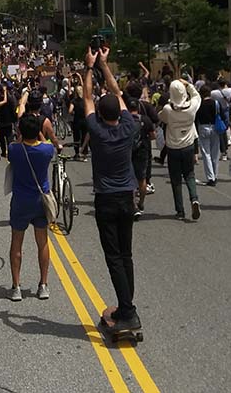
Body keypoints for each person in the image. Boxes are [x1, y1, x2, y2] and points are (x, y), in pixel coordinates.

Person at [83, 45, 141, 333]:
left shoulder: (97, 130)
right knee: (126, 254)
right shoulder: (128, 126)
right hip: (127, 197)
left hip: (106, 199)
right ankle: (126, 304)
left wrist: (88, 68)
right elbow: (117, 95)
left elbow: (87, 97)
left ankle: (127, 310)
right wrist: (104, 65)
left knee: (114, 257)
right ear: (119, 112)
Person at [6, 114, 55, 302]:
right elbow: (46, 143)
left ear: (20, 131)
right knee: (42, 242)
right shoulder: (46, 150)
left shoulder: (14, 149)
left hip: (20, 200)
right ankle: (43, 284)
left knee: (16, 242)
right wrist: (40, 134)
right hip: (39, 200)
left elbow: (16, 146)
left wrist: (20, 135)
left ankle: (16, 286)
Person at [159, 79, 202, 220]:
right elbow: (197, 95)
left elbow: (161, 118)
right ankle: (194, 199)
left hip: (173, 147)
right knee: (189, 174)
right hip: (188, 145)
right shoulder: (192, 107)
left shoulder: (168, 109)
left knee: (176, 179)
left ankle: (180, 210)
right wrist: (188, 85)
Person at [128, 98, 155, 219]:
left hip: (128, 152)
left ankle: (133, 205)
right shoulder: (145, 119)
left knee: (130, 179)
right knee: (142, 179)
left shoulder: (124, 120)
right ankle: (141, 202)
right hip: (142, 152)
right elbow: (153, 136)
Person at [196, 86, 221, 186]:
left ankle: (211, 178)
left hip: (203, 127)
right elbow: (221, 115)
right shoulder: (215, 103)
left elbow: (196, 118)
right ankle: (215, 174)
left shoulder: (199, 104)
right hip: (215, 127)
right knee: (215, 153)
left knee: (206, 154)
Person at [0, 82, 18, 158]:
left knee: (2, 138)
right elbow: (11, 104)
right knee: (9, 137)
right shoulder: (10, 98)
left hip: (0, 121)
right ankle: (10, 151)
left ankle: (4, 152)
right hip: (8, 121)